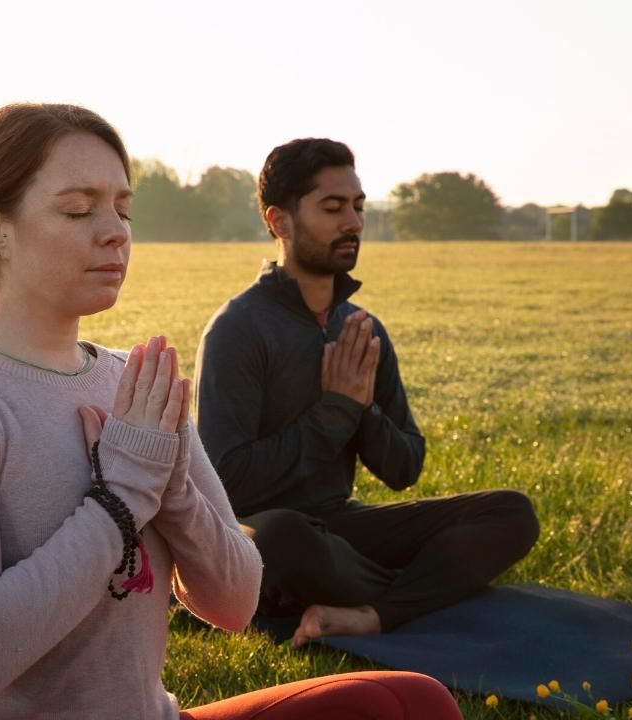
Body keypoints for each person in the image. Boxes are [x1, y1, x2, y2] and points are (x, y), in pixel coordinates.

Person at [0, 104, 462, 719]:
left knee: (411, 703)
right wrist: (121, 497)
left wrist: (172, 487)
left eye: (122, 209)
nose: (115, 231)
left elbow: (236, 603)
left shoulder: (135, 384)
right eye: (79, 209)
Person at [194, 137, 541, 650]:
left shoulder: (362, 330)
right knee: (282, 536)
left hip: (343, 531)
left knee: (510, 512)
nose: (353, 223)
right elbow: (226, 484)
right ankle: (425, 588)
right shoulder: (238, 329)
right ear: (279, 221)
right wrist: (335, 411)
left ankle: (372, 613)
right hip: (263, 536)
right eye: (332, 207)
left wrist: (362, 408)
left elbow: (404, 468)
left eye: (358, 206)